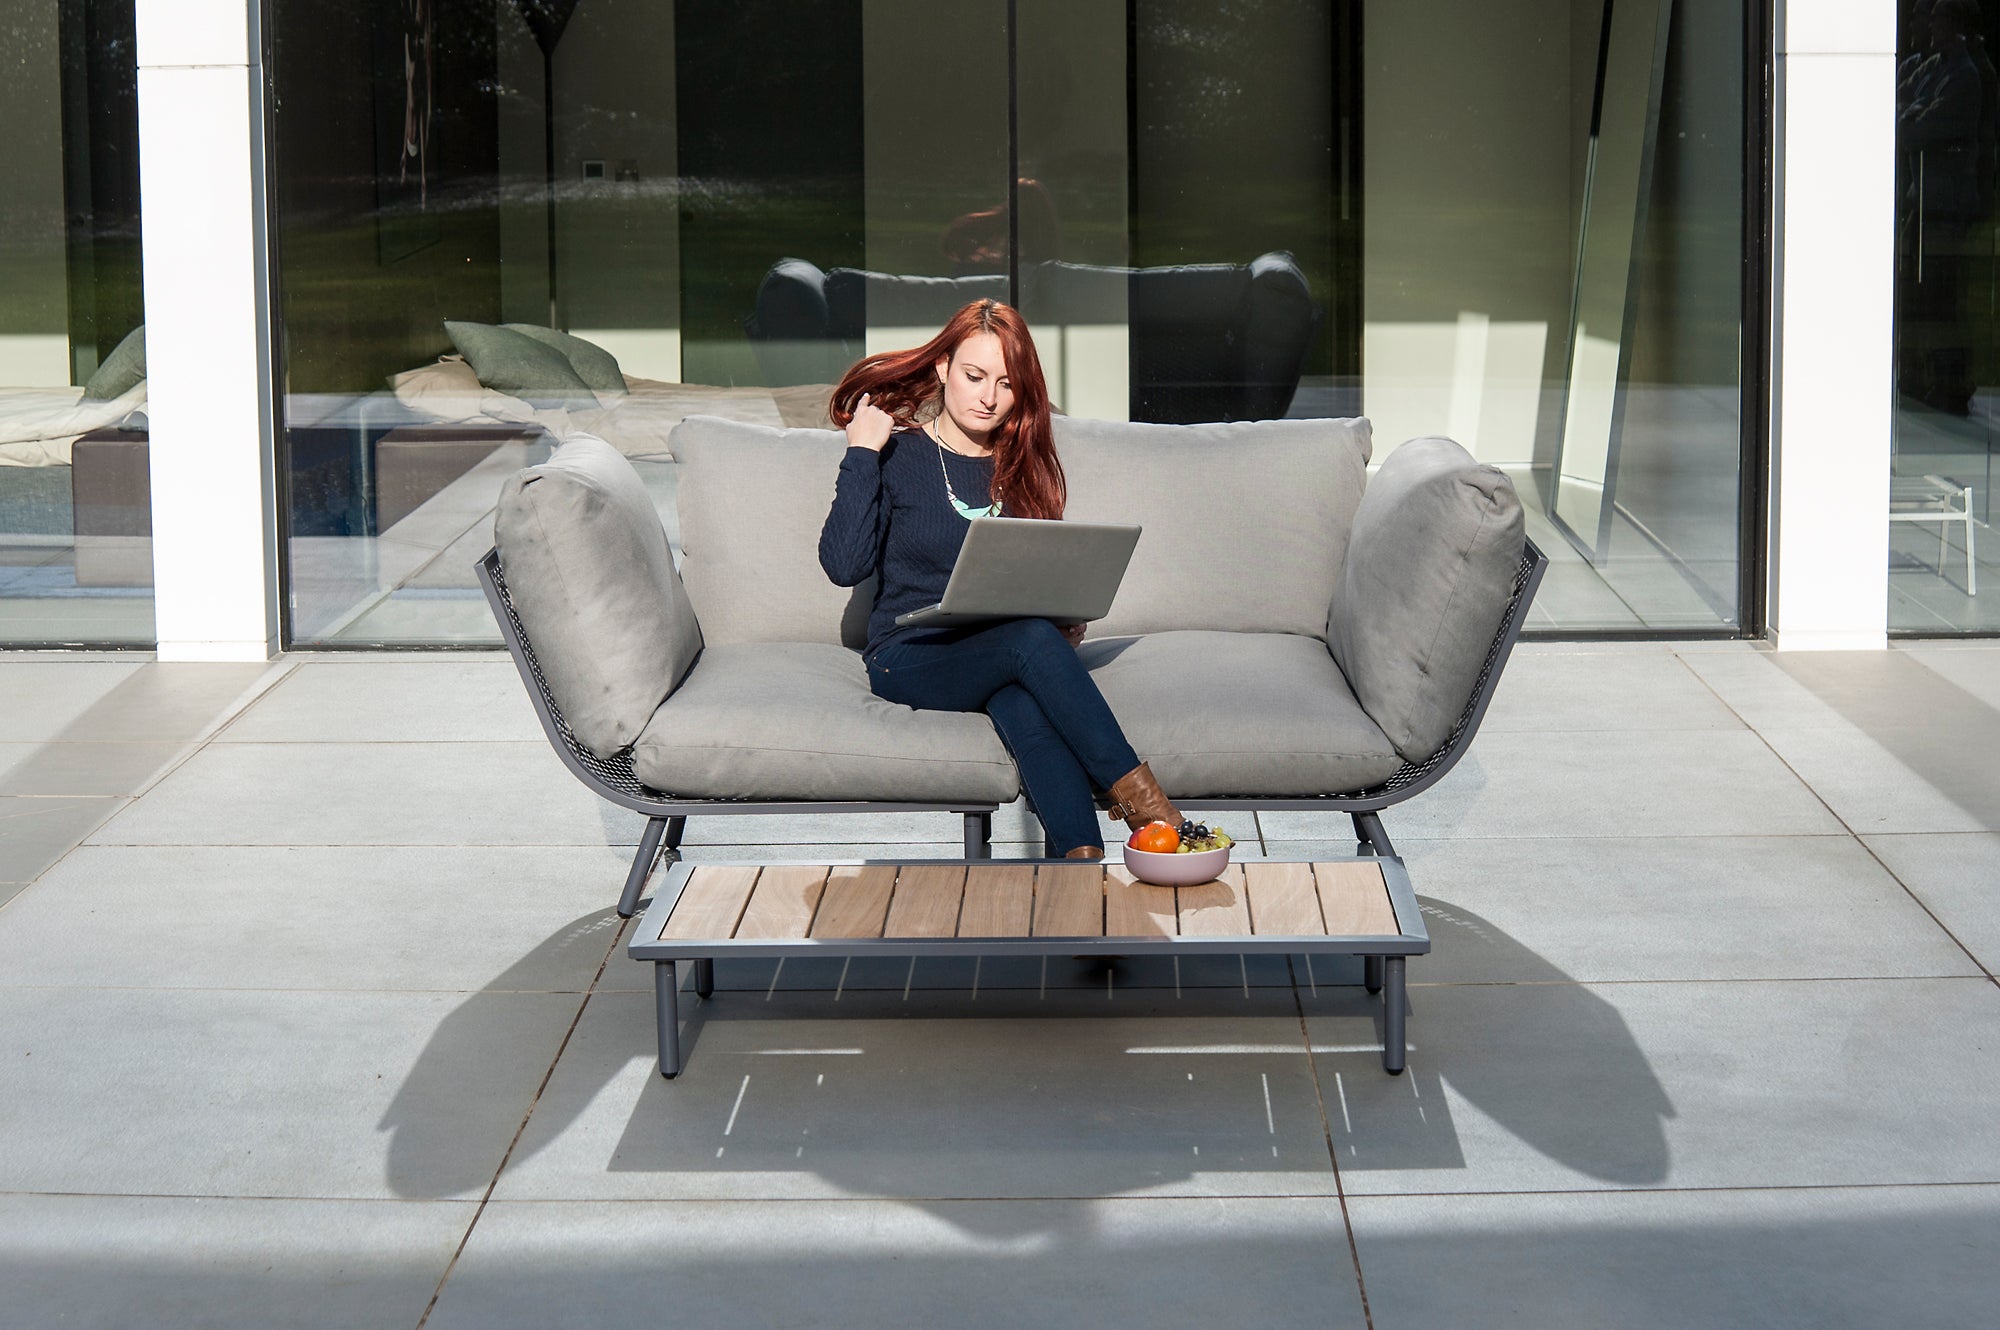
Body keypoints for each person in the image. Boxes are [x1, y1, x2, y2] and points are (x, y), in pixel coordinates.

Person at [817, 298, 1182, 861]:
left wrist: (1065, 612)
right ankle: (1153, 812)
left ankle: (1081, 869)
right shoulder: (898, 453)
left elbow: (1034, 569)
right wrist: (862, 453)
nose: (989, 397)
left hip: (1002, 650)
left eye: (1007, 384)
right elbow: (844, 565)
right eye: (975, 376)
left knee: (1026, 708)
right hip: (908, 655)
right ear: (943, 368)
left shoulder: (1020, 461)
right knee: (1028, 644)